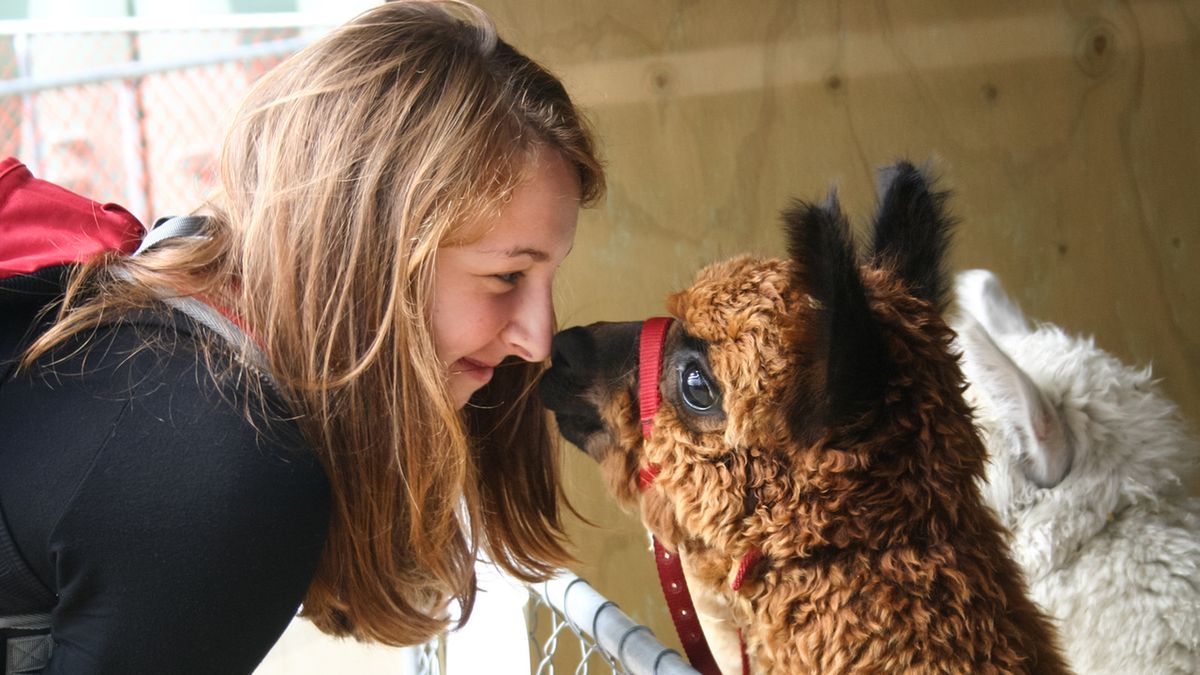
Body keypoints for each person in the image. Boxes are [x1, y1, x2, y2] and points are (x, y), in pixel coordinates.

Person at [0, 1, 604, 672]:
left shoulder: (167, 336)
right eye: (506, 275)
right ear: (366, 246)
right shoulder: (227, 463)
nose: (539, 338)